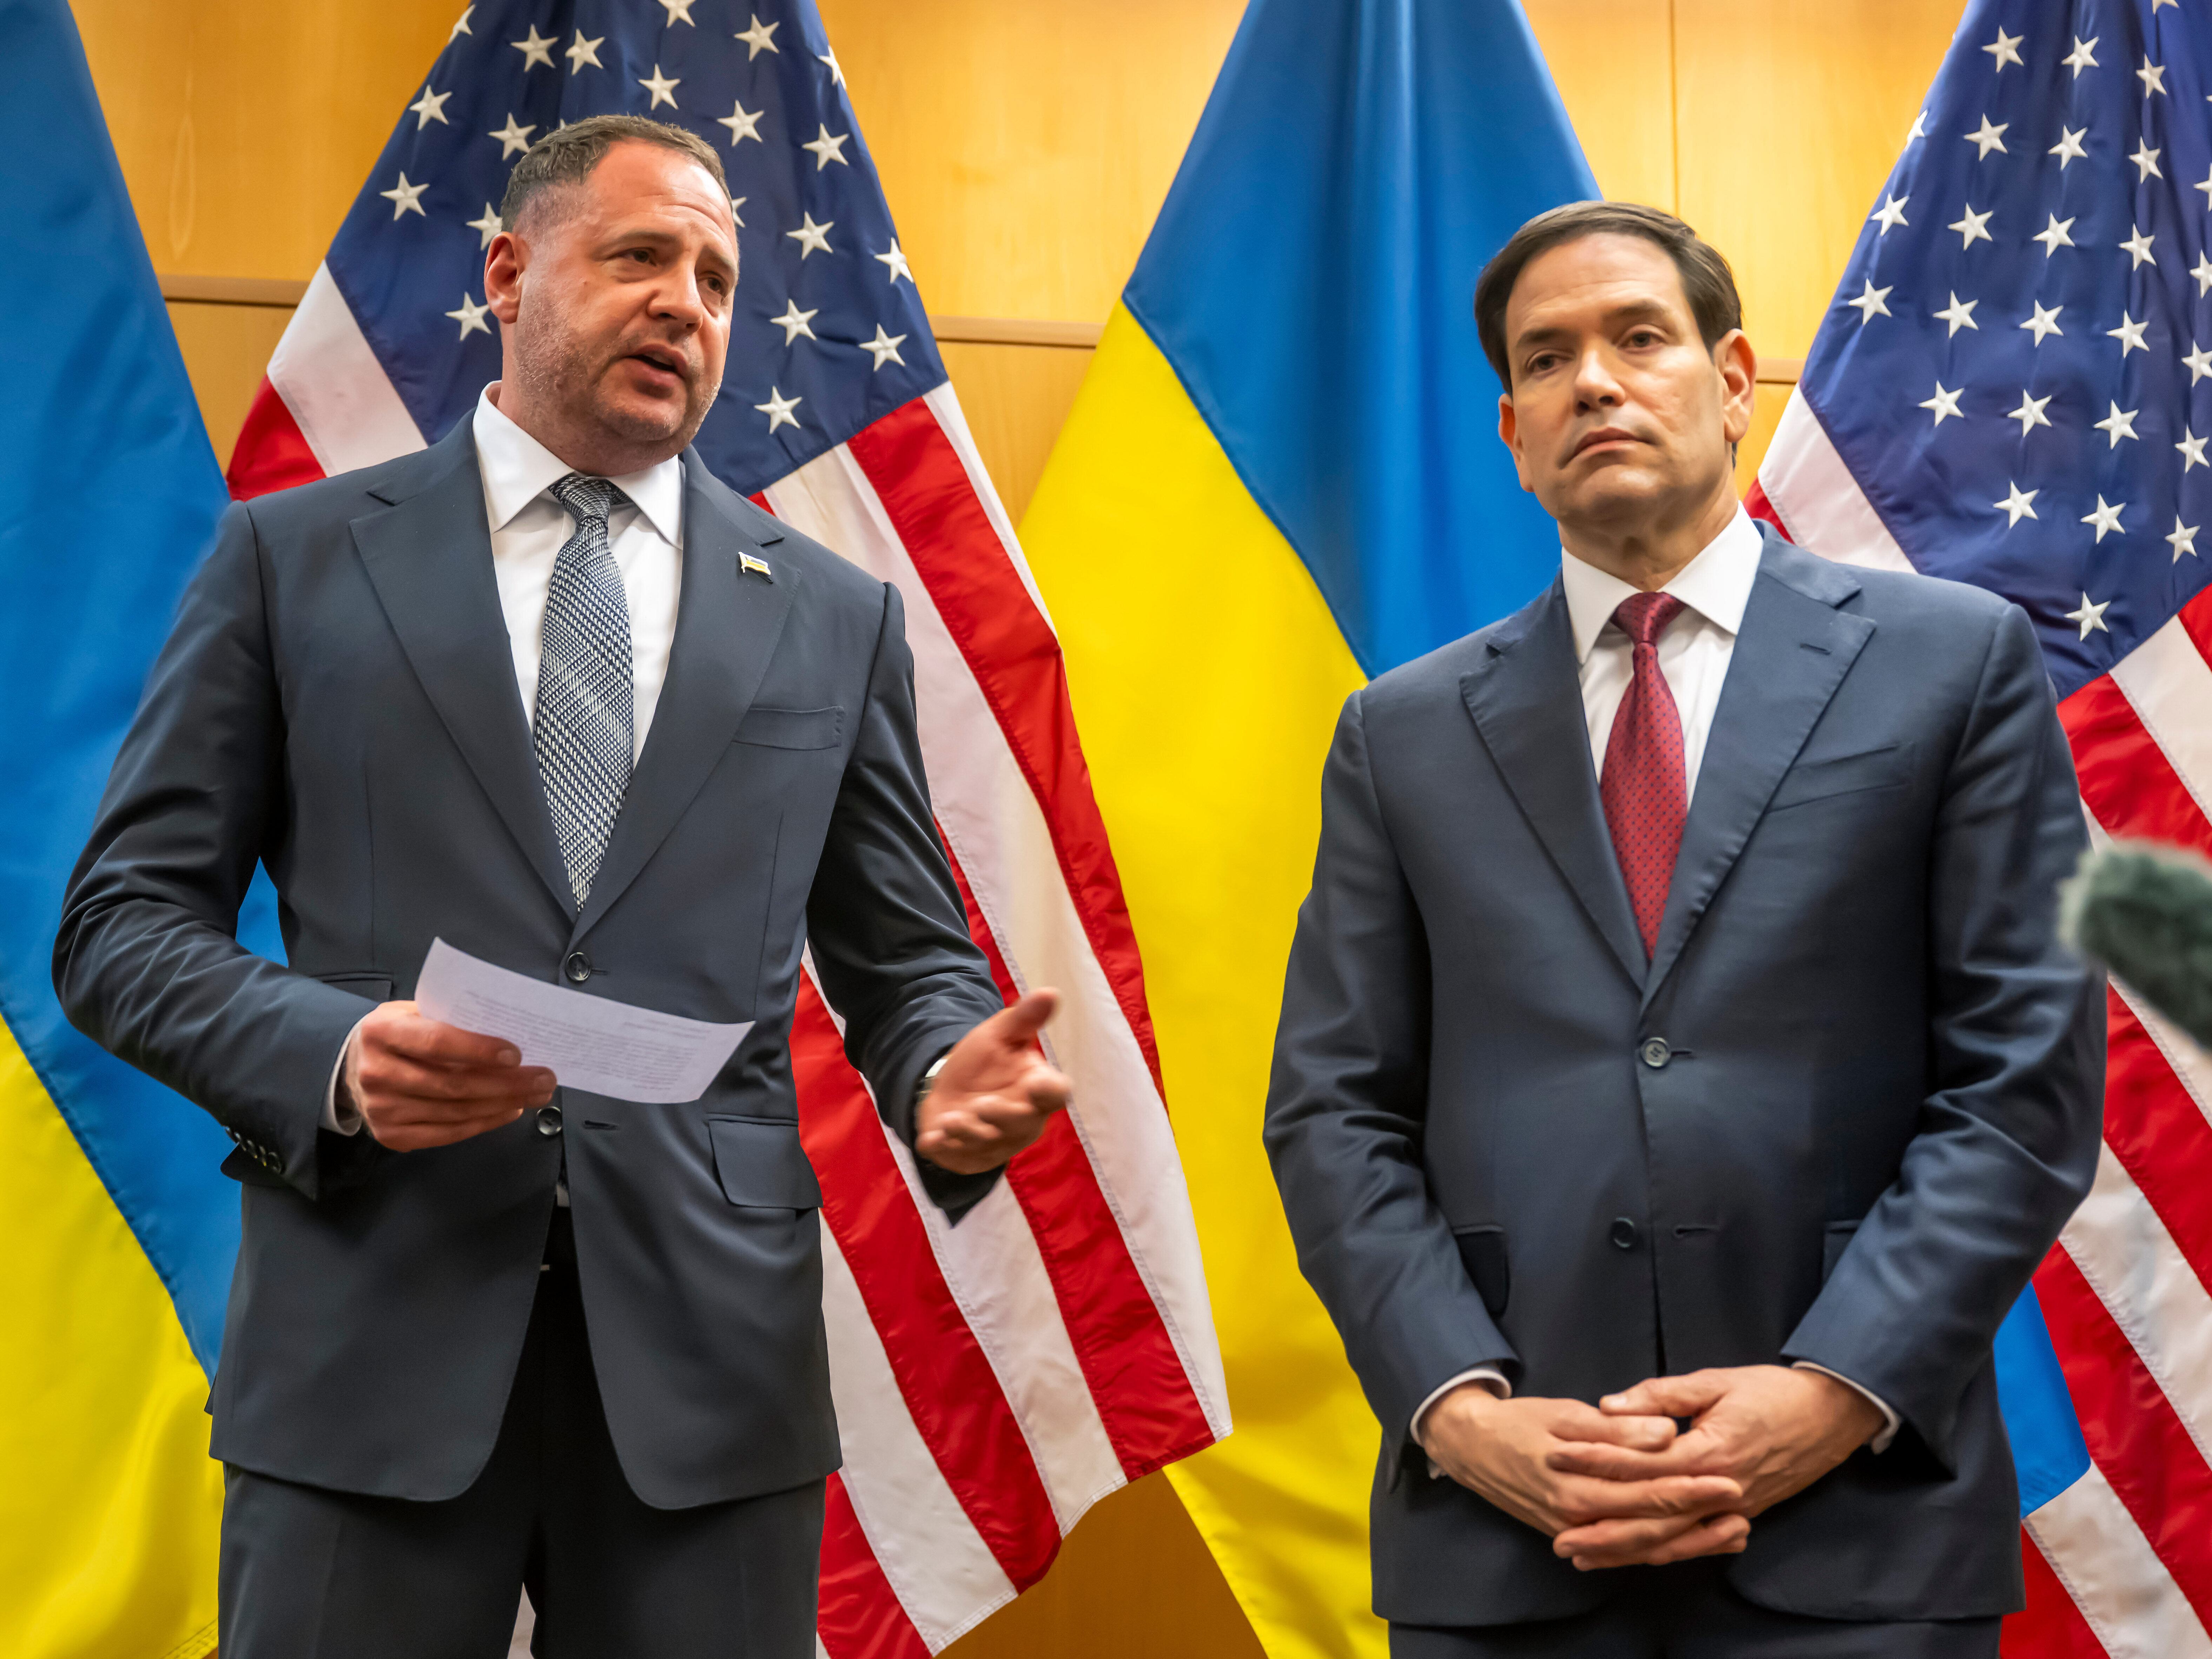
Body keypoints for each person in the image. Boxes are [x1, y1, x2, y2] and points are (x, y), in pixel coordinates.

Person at [55, 115, 1069, 1659]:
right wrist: (327, 1056)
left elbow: (907, 957)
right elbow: (121, 924)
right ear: (513, 272)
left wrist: (942, 1073)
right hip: (366, 1352)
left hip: (709, 1388)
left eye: (722, 280)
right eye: (643, 255)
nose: (687, 302)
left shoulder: (828, 617)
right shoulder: (295, 561)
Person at [1262, 201, 2104, 1657]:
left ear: (1730, 382)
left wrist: (1833, 1390)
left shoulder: (1951, 664)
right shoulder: (1395, 736)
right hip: (1511, 1538)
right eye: (1546, 359)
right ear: (1512, 432)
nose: (1592, 380)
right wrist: (1459, 1414)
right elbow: (1331, 1114)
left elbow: (2020, 1085)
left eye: (1636, 338)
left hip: (1864, 1530)